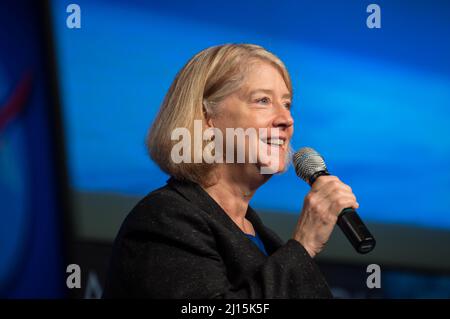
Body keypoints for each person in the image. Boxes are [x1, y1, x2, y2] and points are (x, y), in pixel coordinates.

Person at [102, 44, 359, 298]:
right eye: (263, 101)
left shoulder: (264, 239)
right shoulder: (164, 219)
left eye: (287, 104)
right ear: (207, 117)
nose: (286, 119)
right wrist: (304, 245)